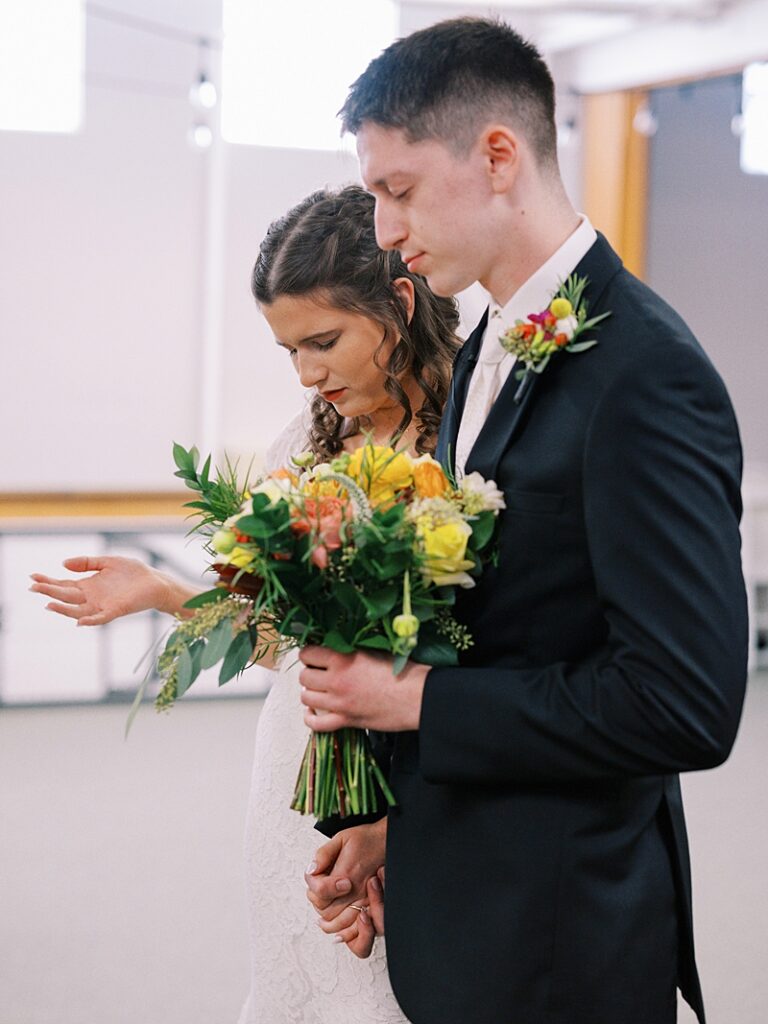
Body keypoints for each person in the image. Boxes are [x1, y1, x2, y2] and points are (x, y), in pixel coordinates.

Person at [300, 18, 748, 1024]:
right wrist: (393, 826)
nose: (381, 231)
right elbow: (507, 626)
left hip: (560, 941)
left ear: (497, 155)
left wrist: (410, 701)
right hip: (464, 904)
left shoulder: (647, 374)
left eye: (397, 190)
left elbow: (683, 702)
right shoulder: (490, 341)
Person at [29, 184, 461, 1023]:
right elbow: (275, 640)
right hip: (295, 766)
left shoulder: (473, 441)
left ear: (400, 305)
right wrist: (162, 593)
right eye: (288, 350)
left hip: (422, 770)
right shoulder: (298, 449)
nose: (307, 374)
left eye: (324, 341)